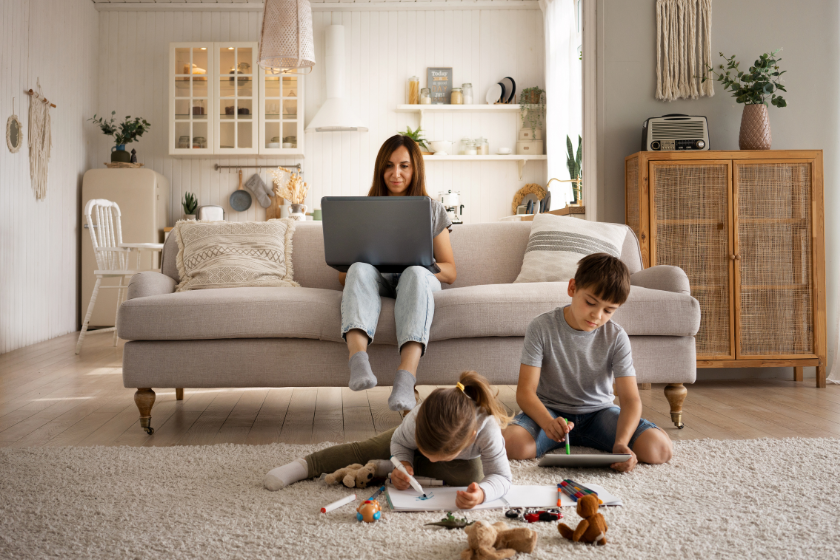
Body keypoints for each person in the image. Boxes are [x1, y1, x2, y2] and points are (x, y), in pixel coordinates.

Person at [502, 253, 673, 472]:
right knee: (511, 444)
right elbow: (525, 392)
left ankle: (649, 431)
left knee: (659, 449)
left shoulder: (617, 337)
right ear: (572, 288)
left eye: (608, 310)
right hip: (551, 413)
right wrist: (547, 422)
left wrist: (621, 443)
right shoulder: (541, 327)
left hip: (600, 414)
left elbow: (631, 400)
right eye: (590, 302)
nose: (597, 315)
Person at [264, 371, 513, 509]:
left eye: (435, 456)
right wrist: (403, 464)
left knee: (472, 477)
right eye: (425, 452)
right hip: (405, 445)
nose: (429, 459)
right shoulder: (417, 418)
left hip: (462, 463)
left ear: (470, 437)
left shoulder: (487, 429)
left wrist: (481, 494)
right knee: (367, 449)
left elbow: (502, 477)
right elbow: (399, 444)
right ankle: (305, 465)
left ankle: (382, 469)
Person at [340, 135, 457, 411]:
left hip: (418, 280)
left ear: (415, 169)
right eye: (389, 166)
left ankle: (405, 380)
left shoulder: (432, 209)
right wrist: (361, 264)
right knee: (358, 268)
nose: (396, 174)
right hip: (378, 281)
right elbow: (345, 277)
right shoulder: (362, 211)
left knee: (415, 274)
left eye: (404, 166)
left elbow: (450, 272)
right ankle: (358, 362)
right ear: (380, 169)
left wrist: (419, 267)